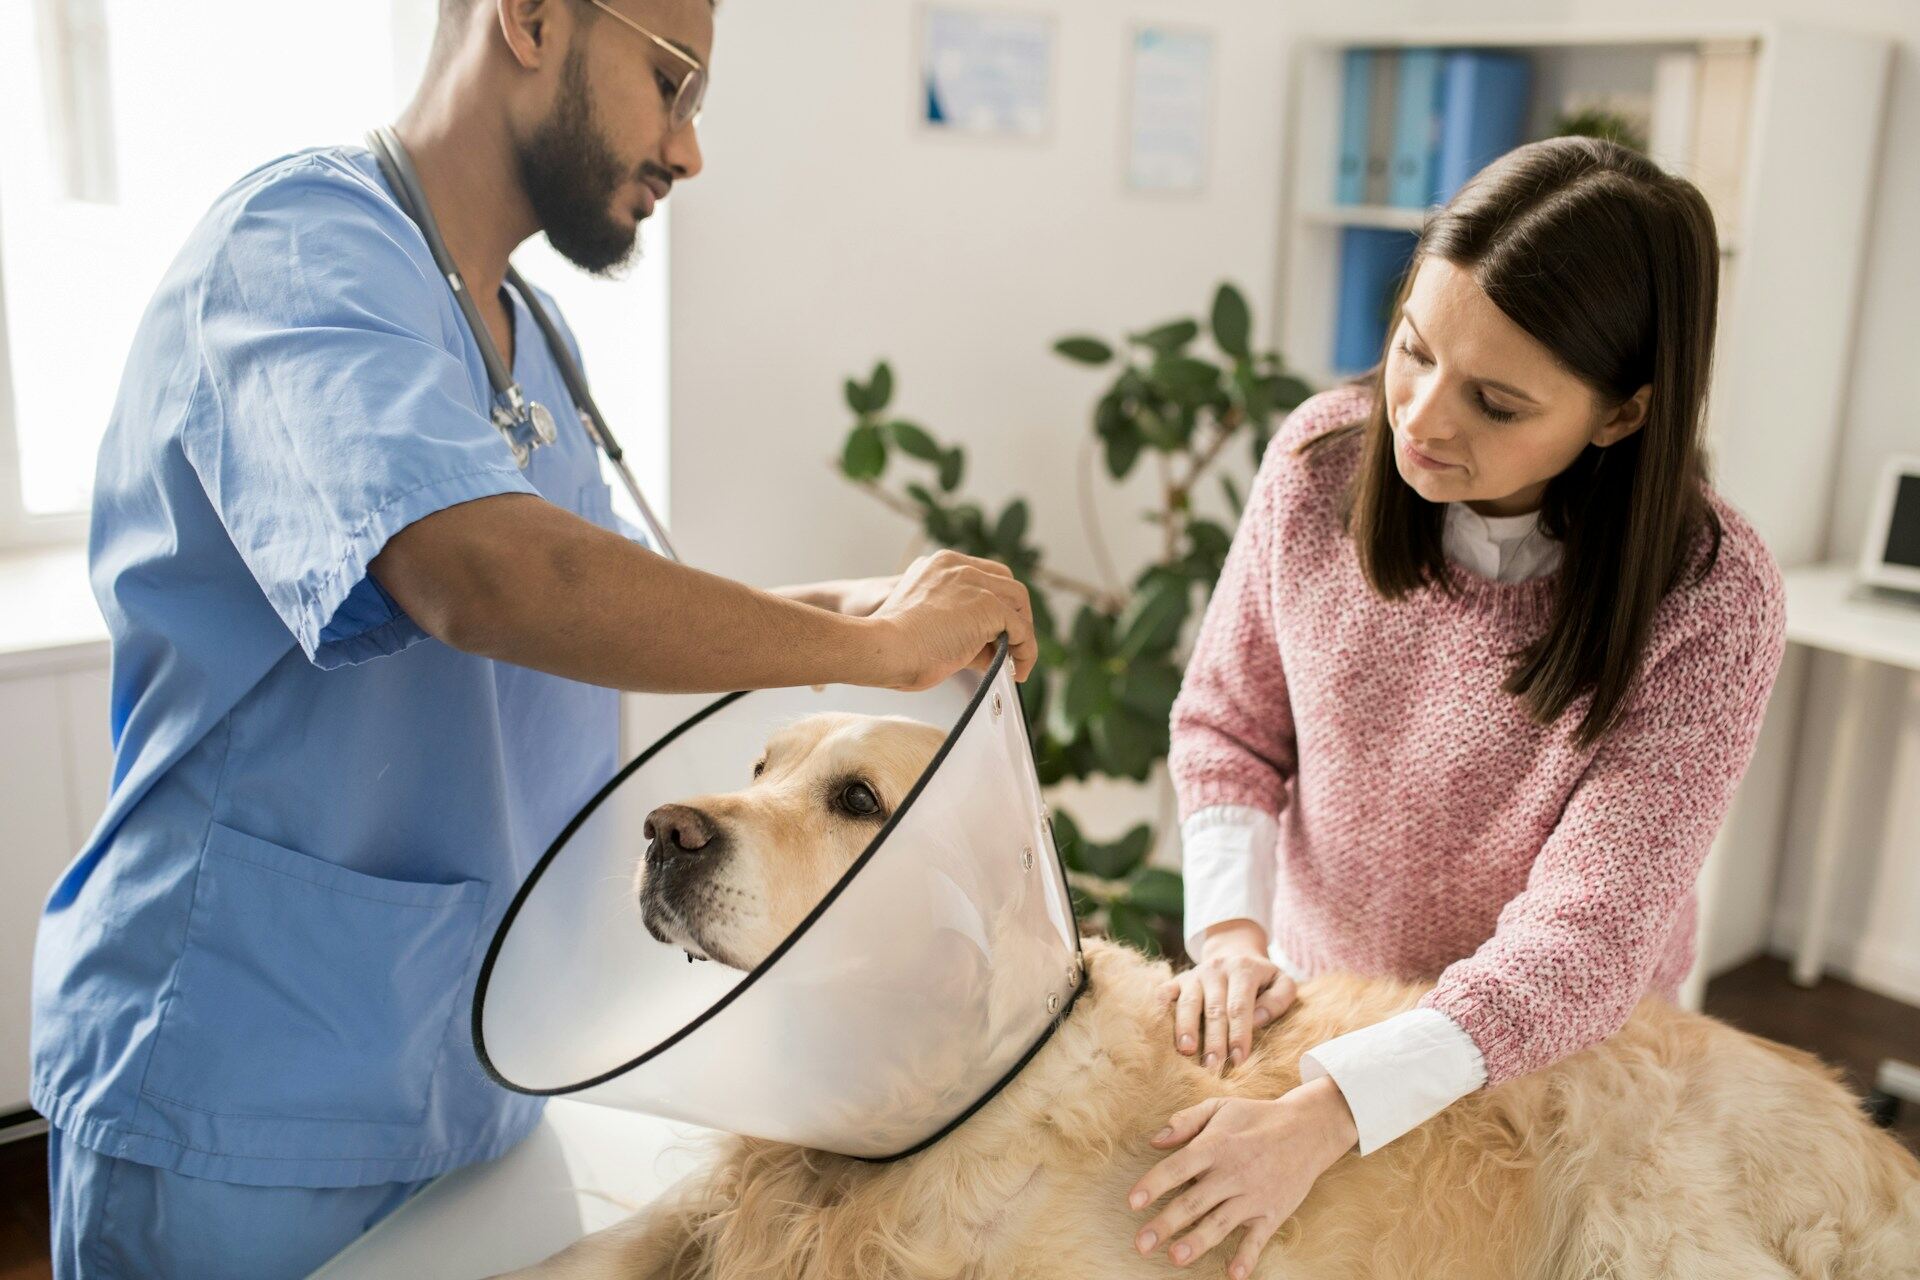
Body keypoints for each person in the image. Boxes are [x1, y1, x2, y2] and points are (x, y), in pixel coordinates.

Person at [30, 1, 1034, 1275]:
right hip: (248, 1085)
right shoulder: (294, 251)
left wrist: (867, 614)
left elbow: (618, 601)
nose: (691, 146)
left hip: (469, 1070)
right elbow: (487, 573)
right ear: (533, 16)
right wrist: (876, 651)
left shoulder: (525, 331)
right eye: (673, 83)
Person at [1124, 136, 1787, 1279]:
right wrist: (1231, 935)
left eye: (1497, 400)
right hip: (1320, 1010)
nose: (1424, 418)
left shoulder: (1709, 599)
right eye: (1413, 350)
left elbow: (1583, 943)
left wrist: (1338, 1108)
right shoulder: (1322, 464)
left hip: (1558, 1065)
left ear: (1622, 414)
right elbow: (1229, 721)